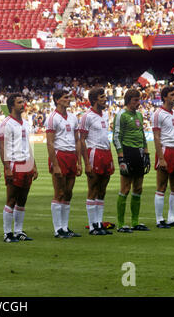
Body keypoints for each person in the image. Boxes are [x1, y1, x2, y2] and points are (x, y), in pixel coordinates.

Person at [0, 93, 38, 243]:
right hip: (14, 164)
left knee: (22, 200)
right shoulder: (6, 123)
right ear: (12, 106)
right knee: (11, 199)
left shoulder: (26, 123)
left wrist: (33, 164)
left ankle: (19, 231)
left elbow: (28, 144)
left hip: (26, 163)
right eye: (20, 102)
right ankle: (7, 233)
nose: (23, 104)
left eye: (23, 101)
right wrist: (7, 167)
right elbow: (2, 146)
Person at [113, 88, 151, 233]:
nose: (138, 103)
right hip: (127, 152)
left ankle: (135, 222)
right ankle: (121, 223)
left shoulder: (139, 115)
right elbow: (116, 137)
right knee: (125, 189)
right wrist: (121, 156)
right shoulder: (121, 115)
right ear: (129, 101)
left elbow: (141, 134)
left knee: (138, 188)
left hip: (139, 153)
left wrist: (146, 152)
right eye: (136, 100)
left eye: (139, 100)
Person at [46, 90, 82, 239]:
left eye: (68, 97)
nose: (68, 100)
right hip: (60, 155)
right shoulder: (52, 118)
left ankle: (65, 227)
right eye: (65, 97)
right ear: (57, 100)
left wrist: (79, 162)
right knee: (59, 193)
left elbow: (77, 139)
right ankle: (57, 229)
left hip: (71, 155)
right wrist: (55, 164)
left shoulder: (73, 117)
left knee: (68, 193)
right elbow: (50, 142)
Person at [79, 87, 114, 236]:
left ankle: (99, 223)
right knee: (93, 189)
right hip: (94, 153)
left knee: (102, 191)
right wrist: (86, 163)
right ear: (94, 100)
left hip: (106, 153)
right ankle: (93, 226)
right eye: (101, 97)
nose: (105, 99)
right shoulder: (87, 116)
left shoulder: (105, 114)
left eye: (104, 96)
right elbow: (81, 140)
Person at [151, 86, 174, 228]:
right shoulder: (158, 114)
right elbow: (156, 137)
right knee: (161, 186)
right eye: (172, 94)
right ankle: (159, 219)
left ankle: (172, 218)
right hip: (165, 151)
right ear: (165, 97)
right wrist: (161, 158)